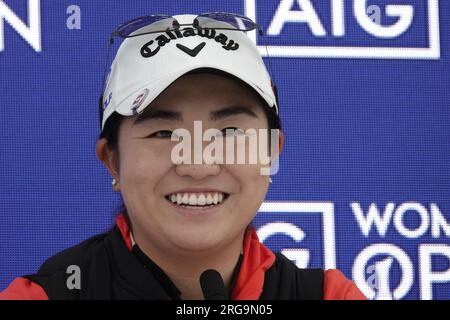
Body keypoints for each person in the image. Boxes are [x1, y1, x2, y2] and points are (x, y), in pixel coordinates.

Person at [0, 13, 365, 300]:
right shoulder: (46, 296)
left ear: (270, 152)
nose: (198, 164)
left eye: (229, 132)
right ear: (112, 160)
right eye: (163, 133)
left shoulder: (331, 296)